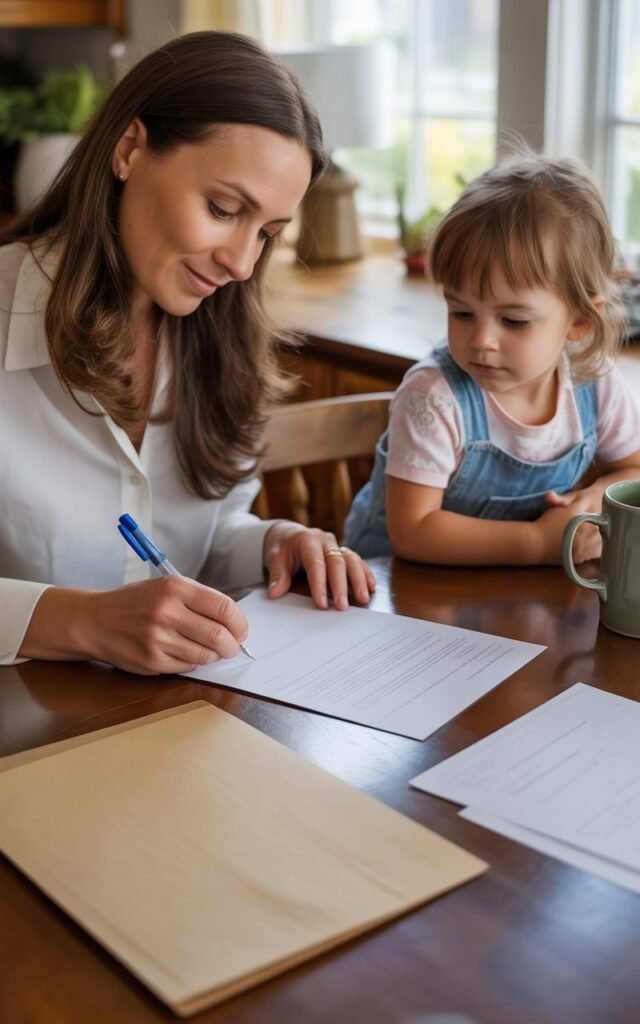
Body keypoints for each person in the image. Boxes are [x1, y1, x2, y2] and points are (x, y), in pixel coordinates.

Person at [0, 31, 375, 675]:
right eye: (223, 208)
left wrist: (272, 544)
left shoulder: (221, 341)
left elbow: (198, 543)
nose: (240, 261)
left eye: (268, 233)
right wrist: (85, 622)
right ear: (129, 150)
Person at [345, 152, 640, 565]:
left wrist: (594, 501)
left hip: (512, 595)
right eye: (462, 313)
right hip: (397, 593)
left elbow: (633, 471)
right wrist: (538, 542)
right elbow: (413, 531)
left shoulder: (595, 382)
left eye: (514, 321)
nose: (481, 340)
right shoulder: (433, 397)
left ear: (578, 321)